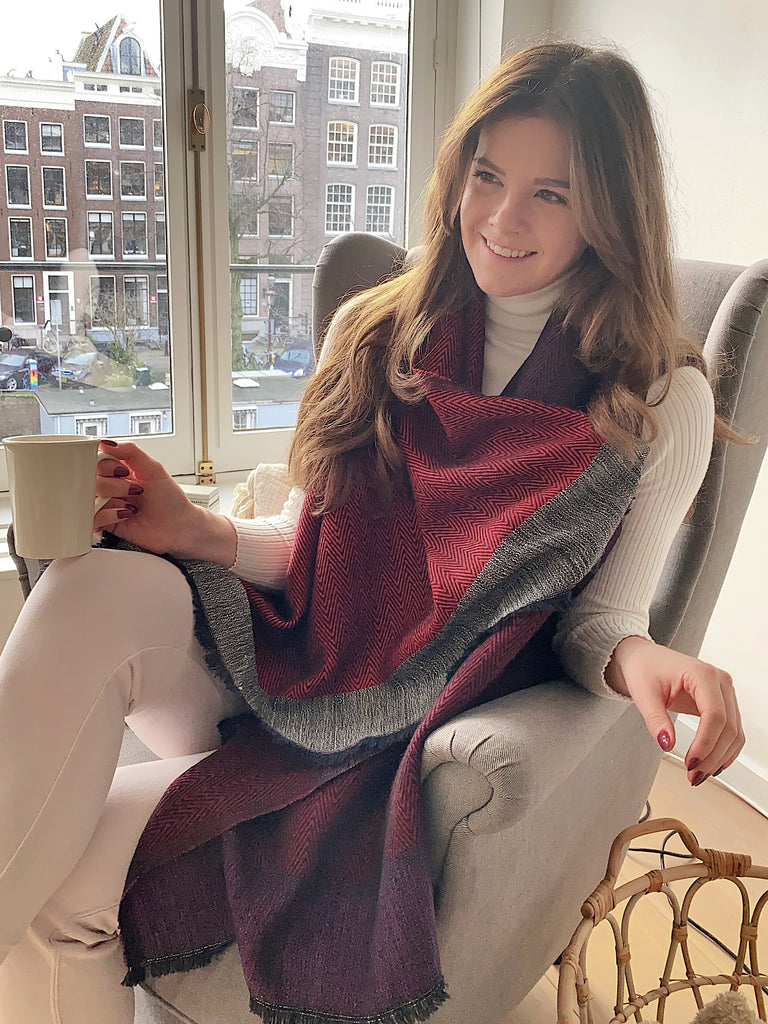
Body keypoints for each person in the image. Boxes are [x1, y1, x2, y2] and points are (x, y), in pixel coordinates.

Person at [0, 40, 744, 1024]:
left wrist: (646, 659)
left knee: (64, 896)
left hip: (389, 724)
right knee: (95, 583)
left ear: (611, 210)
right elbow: (312, 546)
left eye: (551, 194)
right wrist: (193, 529)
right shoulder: (377, 328)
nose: (501, 218)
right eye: (487, 175)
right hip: (278, 652)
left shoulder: (654, 398)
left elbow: (597, 621)